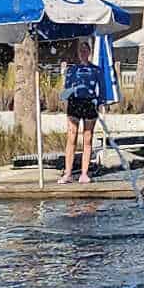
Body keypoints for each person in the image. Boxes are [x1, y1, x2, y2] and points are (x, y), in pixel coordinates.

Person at [57, 40, 104, 184]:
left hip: (89, 104)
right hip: (75, 103)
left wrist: (100, 103)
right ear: (78, 53)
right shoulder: (72, 71)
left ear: (89, 52)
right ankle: (68, 173)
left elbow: (102, 90)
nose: (83, 53)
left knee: (88, 139)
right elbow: (64, 92)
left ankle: (84, 174)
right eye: (81, 51)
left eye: (85, 50)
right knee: (71, 138)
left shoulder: (96, 70)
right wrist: (71, 90)